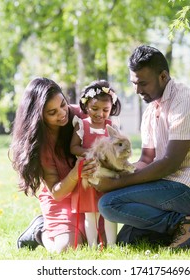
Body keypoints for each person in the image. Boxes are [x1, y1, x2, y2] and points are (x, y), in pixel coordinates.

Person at [94, 45, 190, 249]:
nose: (137, 90)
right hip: (168, 186)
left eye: (143, 83)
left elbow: (170, 164)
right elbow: (146, 160)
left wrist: (117, 184)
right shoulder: (151, 110)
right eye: (134, 83)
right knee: (128, 240)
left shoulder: (186, 104)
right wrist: (115, 175)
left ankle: (187, 224)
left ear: (163, 76)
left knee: (109, 204)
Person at [10, 77, 100, 253]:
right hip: (60, 196)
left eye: (63, 104)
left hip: (85, 192)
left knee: (94, 239)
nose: (62, 113)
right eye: (52, 112)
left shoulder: (78, 116)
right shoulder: (40, 144)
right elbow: (57, 192)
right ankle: (39, 231)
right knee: (67, 247)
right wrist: (76, 173)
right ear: (39, 116)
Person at [70, 80, 122, 247]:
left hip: (107, 176)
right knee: (90, 214)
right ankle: (92, 245)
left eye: (105, 110)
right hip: (88, 175)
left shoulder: (112, 126)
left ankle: (112, 244)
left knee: (108, 212)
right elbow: (73, 147)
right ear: (86, 107)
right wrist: (92, 153)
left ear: (111, 108)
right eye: (95, 109)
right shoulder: (82, 125)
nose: (100, 114)